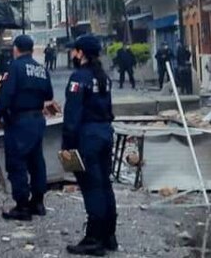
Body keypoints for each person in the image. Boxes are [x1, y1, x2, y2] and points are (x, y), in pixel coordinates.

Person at [63, 36, 117, 256]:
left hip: (88, 137)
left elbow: (72, 114)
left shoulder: (79, 77)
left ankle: (94, 238)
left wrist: (67, 145)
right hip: (105, 133)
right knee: (104, 184)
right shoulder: (103, 77)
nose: (72, 55)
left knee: (92, 187)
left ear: (81, 53)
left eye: (74, 51)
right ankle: (109, 235)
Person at [0, 34, 55, 221]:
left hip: (19, 121)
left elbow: (6, 95)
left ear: (16, 49)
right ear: (32, 49)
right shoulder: (41, 69)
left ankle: (22, 206)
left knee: (16, 163)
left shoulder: (15, 67)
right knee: (36, 161)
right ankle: (38, 202)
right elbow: (48, 94)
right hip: (37, 120)